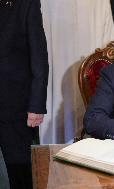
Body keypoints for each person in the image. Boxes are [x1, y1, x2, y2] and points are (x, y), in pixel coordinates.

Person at [0, 0, 49, 188]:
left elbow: (39, 57)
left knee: (19, 172)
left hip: (14, 106)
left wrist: (36, 105)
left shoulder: (26, 3)